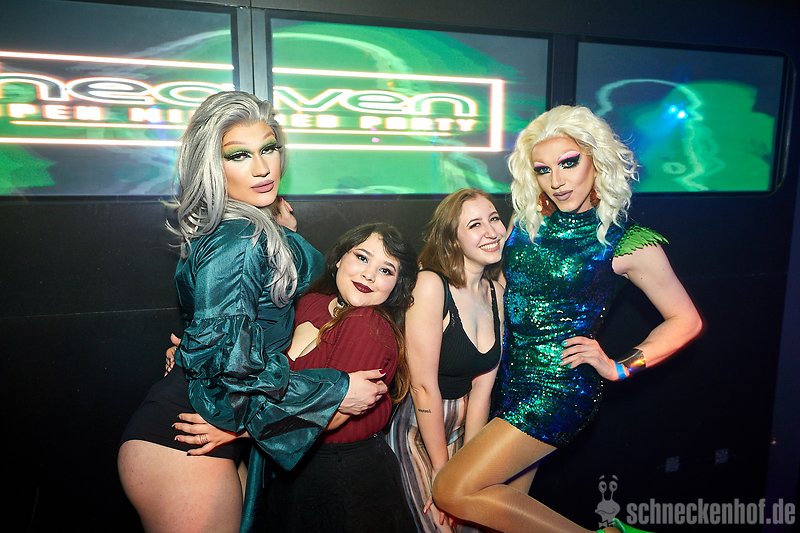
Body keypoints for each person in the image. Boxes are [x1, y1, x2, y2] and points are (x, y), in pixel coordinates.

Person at [117, 91, 387, 533]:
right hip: (184, 435)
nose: (262, 168)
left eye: (269, 149)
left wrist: (284, 233)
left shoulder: (248, 228)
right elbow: (228, 369)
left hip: (200, 431)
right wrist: (336, 391)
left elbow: (232, 332)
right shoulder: (240, 238)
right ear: (213, 166)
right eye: (239, 155)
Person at [431, 105, 703, 533]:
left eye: (568, 163)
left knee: (451, 490)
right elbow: (501, 288)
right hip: (509, 383)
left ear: (596, 159)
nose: (556, 181)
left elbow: (686, 320)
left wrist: (619, 367)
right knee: (503, 516)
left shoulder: (625, 242)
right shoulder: (527, 223)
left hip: (558, 390)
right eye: (543, 170)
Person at [174, 222, 419, 532]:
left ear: (396, 285)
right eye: (362, 257)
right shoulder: (311, 303)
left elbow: (331, 416)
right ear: (339, 259)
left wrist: (237, 432)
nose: (369, 274)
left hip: (344, 478)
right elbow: (255, 364)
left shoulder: (367, 325)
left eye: (386, 270)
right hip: (293, 469)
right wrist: (190, 353)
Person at [385, 188, 506, 533]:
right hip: (418, 430)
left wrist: (468, 468)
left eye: (494, 219)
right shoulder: (430, 285)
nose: (491, 231)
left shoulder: (496, 293)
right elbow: (423, 387)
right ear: (452, 239)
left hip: (463, 429)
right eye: (475, 225)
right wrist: (444, 473)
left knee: (471, 523)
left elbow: (481, 393)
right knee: (439, 526)